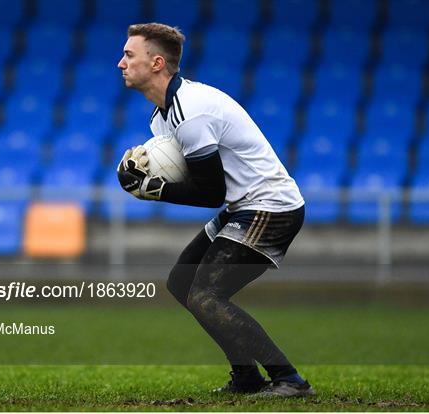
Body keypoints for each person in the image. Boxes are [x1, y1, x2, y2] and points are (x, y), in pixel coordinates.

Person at [116, 23, 314, 397]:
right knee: (182, 283)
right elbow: (199, 178)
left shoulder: (191, 111)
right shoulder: (162, 118)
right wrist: (141, 174)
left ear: (157, 63)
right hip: (243, 205)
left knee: (206, 296)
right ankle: (247, 378)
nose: (120, 63)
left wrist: (154, 190)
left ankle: (289, 379)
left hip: (271, 207)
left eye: (129, 55)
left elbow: (210, 192)